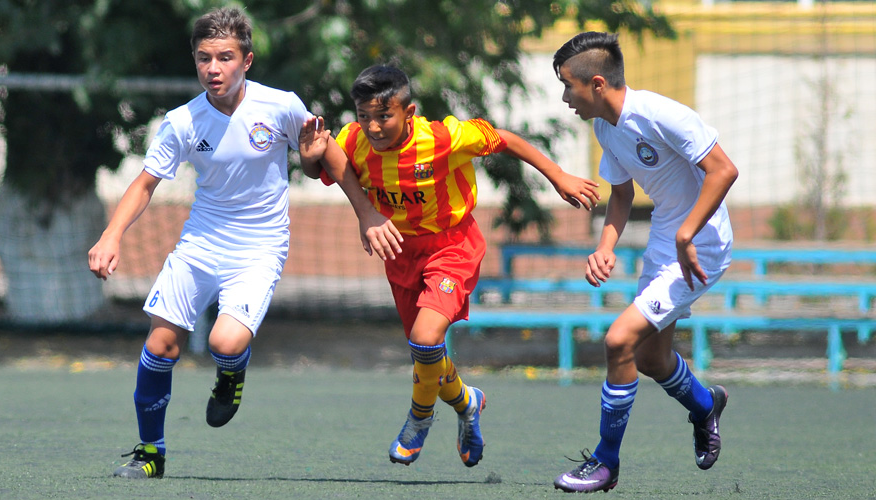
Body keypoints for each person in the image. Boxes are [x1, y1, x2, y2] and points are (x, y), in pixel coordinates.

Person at [301, 64, 600, 468]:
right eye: (364, 115)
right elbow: (324, 167)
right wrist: (310, 161)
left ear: (409, 112)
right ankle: (467, 402)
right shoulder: (352, 140)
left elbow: (505, 139)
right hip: (400, 252)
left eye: (383, 116)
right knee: (427, 356)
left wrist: (558, 175)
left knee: (426, 339)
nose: (372, 126)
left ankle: (419, 418)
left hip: (451, 245)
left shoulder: (443, 138)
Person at [87, 7, 329, 479]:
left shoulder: (282, 106)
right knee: (160, 345)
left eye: (224, 58)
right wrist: (111, 235)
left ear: (247, 60)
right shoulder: (183, 121)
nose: (213, 68)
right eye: (204, 58)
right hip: (200, 243)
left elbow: (325, 160)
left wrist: (364, 213)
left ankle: (231, 372)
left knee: (224, 342)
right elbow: (144, 184)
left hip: (260, 247)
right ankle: (150, 453)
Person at [549, 31, 739, 493]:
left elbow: (724, 170)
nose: (565, 97)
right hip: (666, 241)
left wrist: (686, 233)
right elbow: (621, 194)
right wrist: (605, 246)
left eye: (568, 86)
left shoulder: (659, 114)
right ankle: (705, 405)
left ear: (597, 84)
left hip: (701, 244)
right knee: (652, 358)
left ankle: (605, 463)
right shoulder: (604, 126)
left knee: (619, 340)